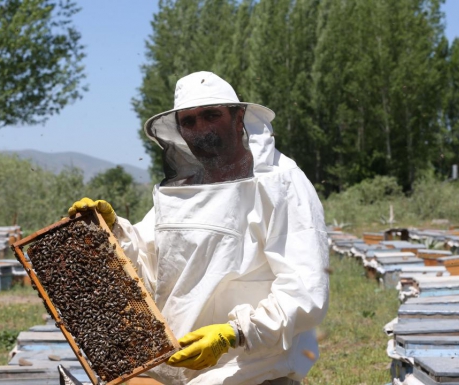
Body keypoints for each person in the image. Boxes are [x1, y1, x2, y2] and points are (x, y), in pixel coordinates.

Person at [68, 71, 329, 385]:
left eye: (211, 115)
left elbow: (305, 290)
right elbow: (148, 267)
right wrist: (113, 231)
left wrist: (234, 334)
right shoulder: (187, 188)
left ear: (238, 117)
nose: (201, 129)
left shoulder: (280, 183)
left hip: (248, 367)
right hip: (174, 362)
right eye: (188, 122)